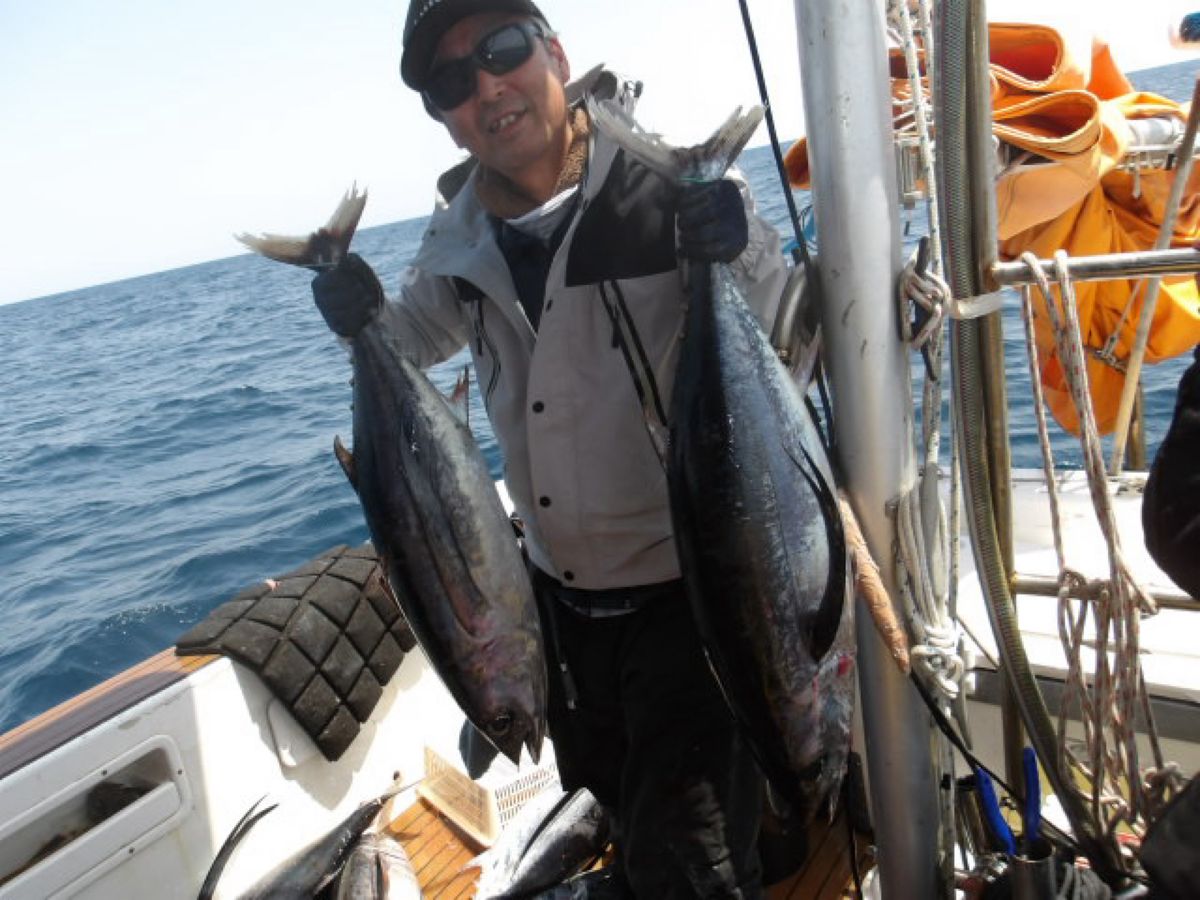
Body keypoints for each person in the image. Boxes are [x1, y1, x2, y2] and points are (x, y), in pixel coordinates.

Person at [312, 1, 789, 895]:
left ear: (555, 53)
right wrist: (360, 319)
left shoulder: (661, 186)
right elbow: (410, 341)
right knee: (609, 795)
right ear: (443, 114)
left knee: (694, 865)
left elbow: (786, 332)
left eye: (502, 51)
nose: (487, 87)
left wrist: (741, 243)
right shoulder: (459, 235)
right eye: (452, 81)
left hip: (689, 597)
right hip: (557, 612)